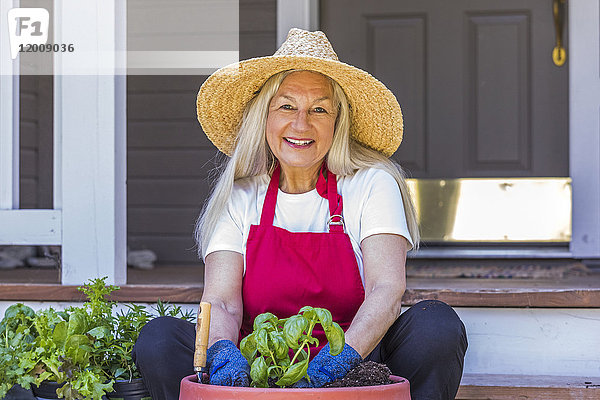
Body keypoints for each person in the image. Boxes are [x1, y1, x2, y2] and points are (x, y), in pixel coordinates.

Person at [133, 28, 467, 400]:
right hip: (259, 367)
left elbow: (385, 290)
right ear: (265, 117)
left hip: (356, 364)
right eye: (286, 106)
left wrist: (340, 358)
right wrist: (225, 354)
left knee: (436, 325)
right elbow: (222, 302)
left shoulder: (371, 183)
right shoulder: (241, 195)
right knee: (159, 339)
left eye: (319, 109)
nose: (301, 124)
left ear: (338, 122)